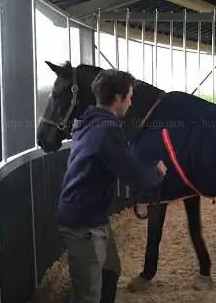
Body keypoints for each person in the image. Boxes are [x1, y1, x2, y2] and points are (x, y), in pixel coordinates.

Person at [56, 69, 167, 303]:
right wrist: (157, 172)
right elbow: (135, 177)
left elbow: (118, 161)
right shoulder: (107, 129)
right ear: (117, 99)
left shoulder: (89, 121)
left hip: (91, 216)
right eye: (128, 96)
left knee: (111, 271)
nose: (131, 101)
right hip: (84, 224)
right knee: (88, 295)